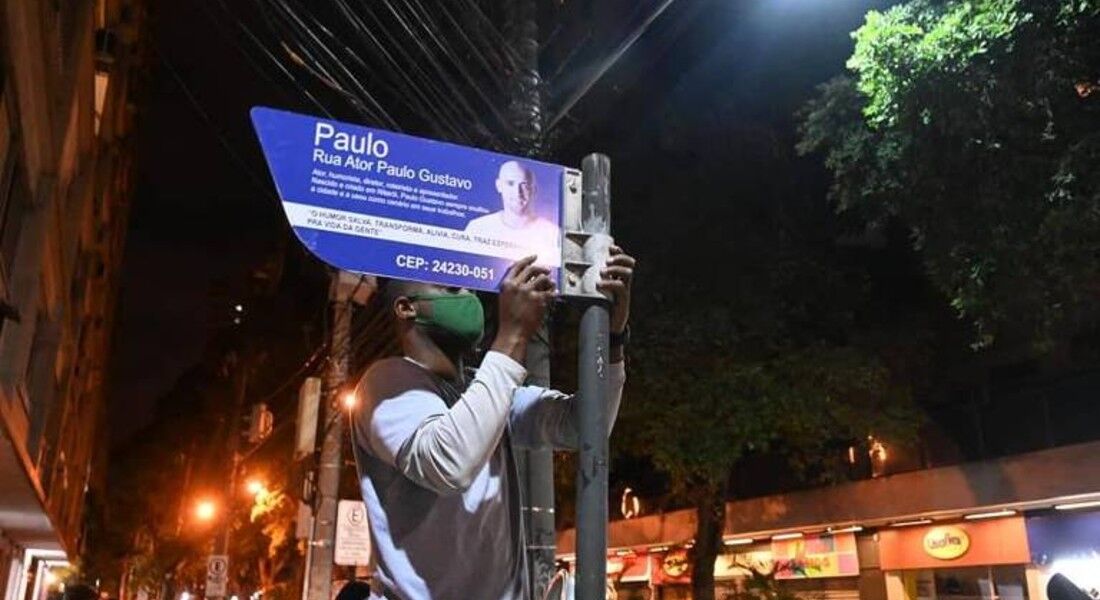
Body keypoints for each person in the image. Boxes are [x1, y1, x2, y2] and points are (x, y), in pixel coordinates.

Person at [351, 249, 635, 600]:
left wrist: (613, 340)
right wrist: (512, 336)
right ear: (407, 307)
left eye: (470, 289)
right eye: (451, 289)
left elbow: (583, 426)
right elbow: (449, 463)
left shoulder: (482, 389)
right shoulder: (389, 382)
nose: (469, 298)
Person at [465, 161, 560, 261]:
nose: (518, 192)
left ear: (534, 190)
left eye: (524, 185)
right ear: (499, 186)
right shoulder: (477, 228)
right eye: (510, 183)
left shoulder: (553, 234)